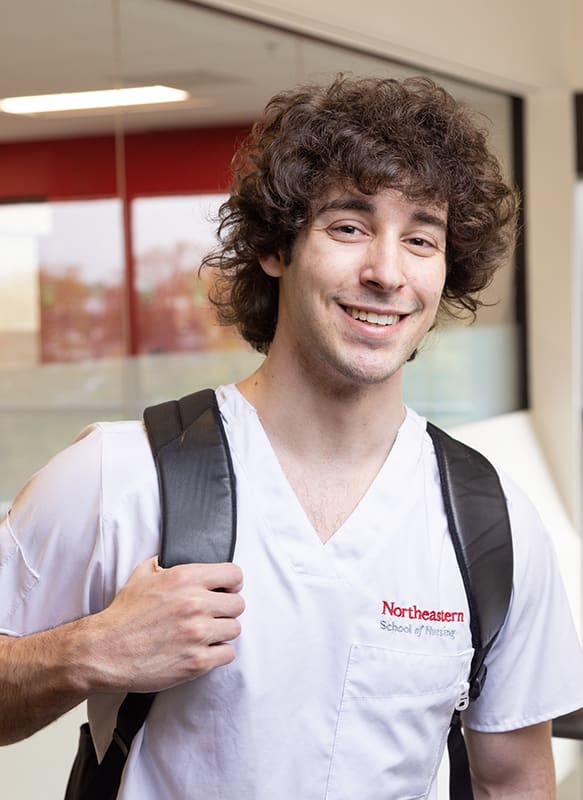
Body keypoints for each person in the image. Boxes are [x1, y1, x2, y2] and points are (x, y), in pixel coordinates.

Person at [1, 75, 583, 800]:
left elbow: (513, 780)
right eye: (348, 226)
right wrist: (87, 651)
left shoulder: (490, 523)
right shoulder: (117, 476)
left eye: (420, 239)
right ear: (276, 248)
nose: (385, 272)